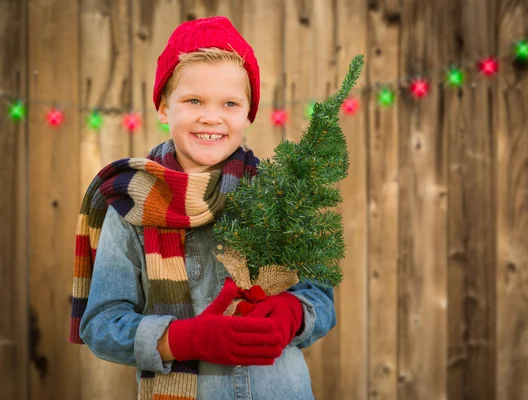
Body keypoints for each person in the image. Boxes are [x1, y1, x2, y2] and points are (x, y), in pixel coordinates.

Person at [69, 16, 336, 400]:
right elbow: (101, 325)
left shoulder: (280, 195)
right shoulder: (134, 203)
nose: (211, 116)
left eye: (230, 103)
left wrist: (293, 314)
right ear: (163, 107)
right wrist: (184, 339)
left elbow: (320, 299)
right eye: (193, 100)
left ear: (248, 113)